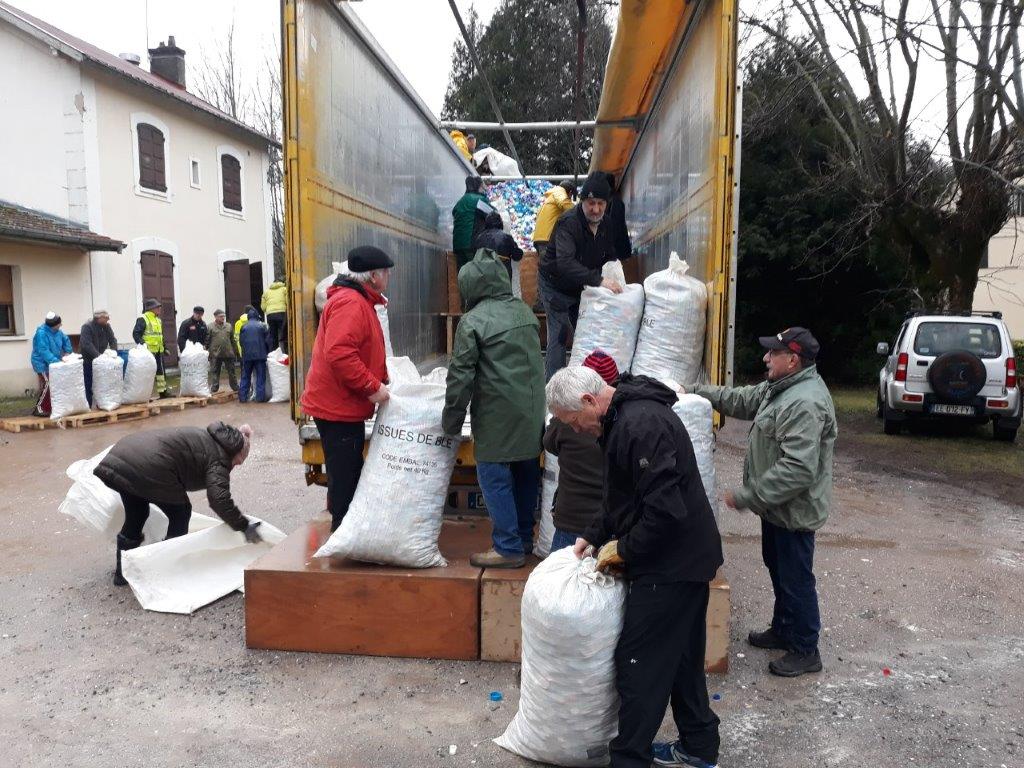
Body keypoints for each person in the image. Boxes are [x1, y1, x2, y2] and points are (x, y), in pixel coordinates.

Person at [547, 366, 723, 768]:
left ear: (589, 401)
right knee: (680, 658)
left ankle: (629, 760)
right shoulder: (622, 418)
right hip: (683, 557)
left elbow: (664, 512)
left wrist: (623, 550)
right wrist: (594, 533)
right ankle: (698, 746)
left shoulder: (640, 425)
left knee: (638, 664)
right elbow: (623, 495)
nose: (575, 430)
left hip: (673, 564)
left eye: (572, 421)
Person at [686, 327, 836, 678]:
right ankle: (784, 628)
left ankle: (805, 649)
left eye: (773, 353)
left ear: (793, 360)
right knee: (778, 568)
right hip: (776, 507)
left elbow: (798, 469)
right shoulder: (780, 388)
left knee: (795, 578)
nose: (766, 358)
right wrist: (692, 391)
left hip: (793, 510)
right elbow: (740, 399)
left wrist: (747, 496)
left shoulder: (805, 402)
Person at [443, 253, 545, 568]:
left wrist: (451, 422)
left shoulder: (473, 321)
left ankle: (507, 547)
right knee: (527, 473)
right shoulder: (524, 311)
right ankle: (524, 539)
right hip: (531, 411)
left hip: (497, 414)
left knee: (494, 476)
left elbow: (460, 377)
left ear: (470, 286)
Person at [94, 421, 264, 586]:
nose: (234, 466)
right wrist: (243, 526)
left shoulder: (211, 438)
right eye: (238, 462)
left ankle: (123, 573)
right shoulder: (220, 457)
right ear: (236, 454)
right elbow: (219, 499)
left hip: (123, 455)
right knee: (180, 513)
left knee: (137, 513)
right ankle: (171, 570)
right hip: (150, 463)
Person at [300, 246, 393, 531]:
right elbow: (340, 353)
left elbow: (359, 348)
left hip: (342, 404)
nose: (388, 277)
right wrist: (371, 386)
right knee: (345, 476)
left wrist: (383, 378)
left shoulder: (358, 300)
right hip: (337, 407)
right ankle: (342, 535)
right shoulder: (351, 303)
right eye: (386, 272)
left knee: (347, 471)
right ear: (373, 276)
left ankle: (346, 531)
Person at [538, 172, 624, 381]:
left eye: (600, 204)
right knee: (559, 335)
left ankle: (586, 380)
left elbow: (610, 254)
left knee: (585, 331)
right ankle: (554, 385)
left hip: (580, 286)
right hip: (554, 284)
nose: (596, 209)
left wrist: (617, 275)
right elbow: (565, 263)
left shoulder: (606, 224)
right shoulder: (568, 223)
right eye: (591, 203)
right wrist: (600, 281)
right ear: (582, 201)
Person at [542, 350, 619, 552]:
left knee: (561, 571)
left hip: (572, 519)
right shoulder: (623, 422)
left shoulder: (565, 421)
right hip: (610, 520)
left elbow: (549, 443)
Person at [30, 311, 72, 417]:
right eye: (59, 323)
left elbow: (66, 340)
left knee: (54, 385)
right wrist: (57, 362)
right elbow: (44, 351)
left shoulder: (58, 332)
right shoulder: (41, 334)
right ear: (54, 325)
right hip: (41, 364)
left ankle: (49, 407)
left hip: (53, 364)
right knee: (47, 383)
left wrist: (67, 352)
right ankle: (39, 408)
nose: (61, 325)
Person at [452, 175, 494, 270]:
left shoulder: (461, 201)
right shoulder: (479, 200)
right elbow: (493, 215)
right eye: (482, 186)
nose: (483, 189)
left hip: (458, 245)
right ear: (478, 187)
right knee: (475, 273)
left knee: (463, 274)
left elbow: (454, 213)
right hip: (472, 244)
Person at [132, 298, 170, 398]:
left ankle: (163, 392)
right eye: (157, 307)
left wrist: (165, 348)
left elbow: (160, 336)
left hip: (158, 351)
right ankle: (144, 395)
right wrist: (143, 345)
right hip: (148, 352)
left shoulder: (158, 320)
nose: (159, 309)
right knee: (147, 373)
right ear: (151, 308)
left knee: (161, 373)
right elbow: (136, 334)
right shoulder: (143, 318)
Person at [79, 310, 118, 406]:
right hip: (88, 360)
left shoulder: (106, 326)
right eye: (106, 318)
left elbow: (113, 340)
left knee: (101, 384)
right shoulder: (87, 327)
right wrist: (98, 356)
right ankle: (88, 406)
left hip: (101, 362)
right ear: (99, 318)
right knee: (88, 384)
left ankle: (101, 405)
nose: (108, 319)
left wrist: (113, 352)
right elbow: (87, 344)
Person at [531, 179, 576, 258]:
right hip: (546, 239)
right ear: (570, 192)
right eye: (571, 197)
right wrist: (579, 212)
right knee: (550, 264)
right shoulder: (559, 191)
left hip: (540, 238)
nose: (570, 199)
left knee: (547, 263)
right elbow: (565, 203)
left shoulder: (550, 198)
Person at [474, 210, 523, 279]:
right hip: (502, 277)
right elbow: (517, 256)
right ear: (500, 223)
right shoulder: (506, 237)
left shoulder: (479, 238)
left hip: (483, 276)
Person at [238, 308, 272, 403]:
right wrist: (267, 352)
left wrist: (244, 352)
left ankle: (242, 397)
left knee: (245, 376)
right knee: (260, 377)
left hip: (247, 356)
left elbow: (241, 342)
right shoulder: (262, 326)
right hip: (260, 356)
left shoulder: (243, 327)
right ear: (257, 316)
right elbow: (268, 341)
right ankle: (260, 398)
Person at [207, 309, 238, 393]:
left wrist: (235, 351)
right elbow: (207, 340)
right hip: (215, 353)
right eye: (221, 316)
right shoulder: (210, 327)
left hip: (228, 353)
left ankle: (235, 387)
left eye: (223, 316)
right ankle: (214, 388)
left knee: (232, 371)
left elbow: (232, 339)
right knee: (215, 371)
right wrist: (206, 352)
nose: (223, 318)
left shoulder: (229, 326)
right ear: (215, 317)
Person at [603, 172, 632, 262]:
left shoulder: (614, 201)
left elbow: (614, 226)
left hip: (616, 251)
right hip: (616, 250)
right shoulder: (612, 200)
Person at [261, 279, 289, 353]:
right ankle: (285, 353)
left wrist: (268, 310)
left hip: (270, 315)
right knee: (283, 334)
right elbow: (288, 301)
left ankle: (274, 353)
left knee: (273, 335)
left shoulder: (266, 292)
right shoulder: (284, 289)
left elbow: (263, 307)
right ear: (281, 282)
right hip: (281, 313)